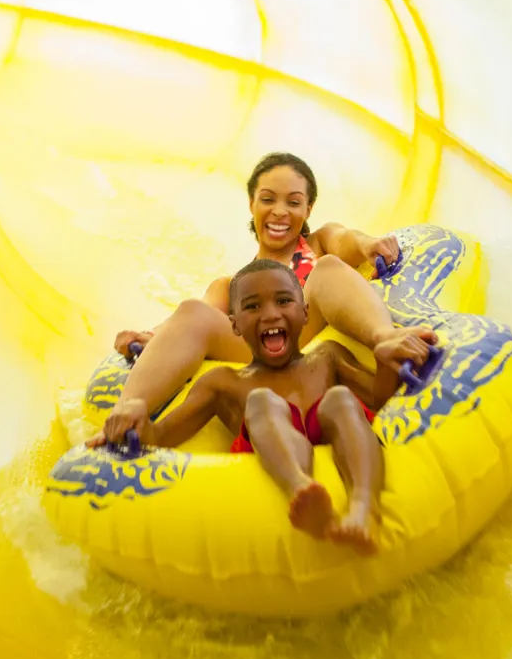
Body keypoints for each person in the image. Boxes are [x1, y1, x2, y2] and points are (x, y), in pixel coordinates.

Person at [88, 259, 433, 555]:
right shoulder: (225, 382)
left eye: (284, 301)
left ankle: (363, 509)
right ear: (234, 324)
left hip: (331, 427)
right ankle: (301, 490)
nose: (270, 314)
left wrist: (385, 363)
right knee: (263, 402)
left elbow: (379, 402)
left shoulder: (327, 358)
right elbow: (161, 437)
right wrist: (138, 420)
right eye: (252, 307)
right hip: (269, 444)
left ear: (305, 312)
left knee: (341, 400)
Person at [106, 152, 438, 432]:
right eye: (268, 199)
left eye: (293, 202)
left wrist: (369, 244)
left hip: (310, 328)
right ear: (252, 204)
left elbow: (346, 238)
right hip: (262, 351)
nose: (279, 211)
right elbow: (193, 317)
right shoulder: (233, 285)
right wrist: (148, 336)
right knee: (196, 309)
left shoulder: (319, 243)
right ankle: (128, 410)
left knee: (328, 268)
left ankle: (385, 337)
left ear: (308, 209)